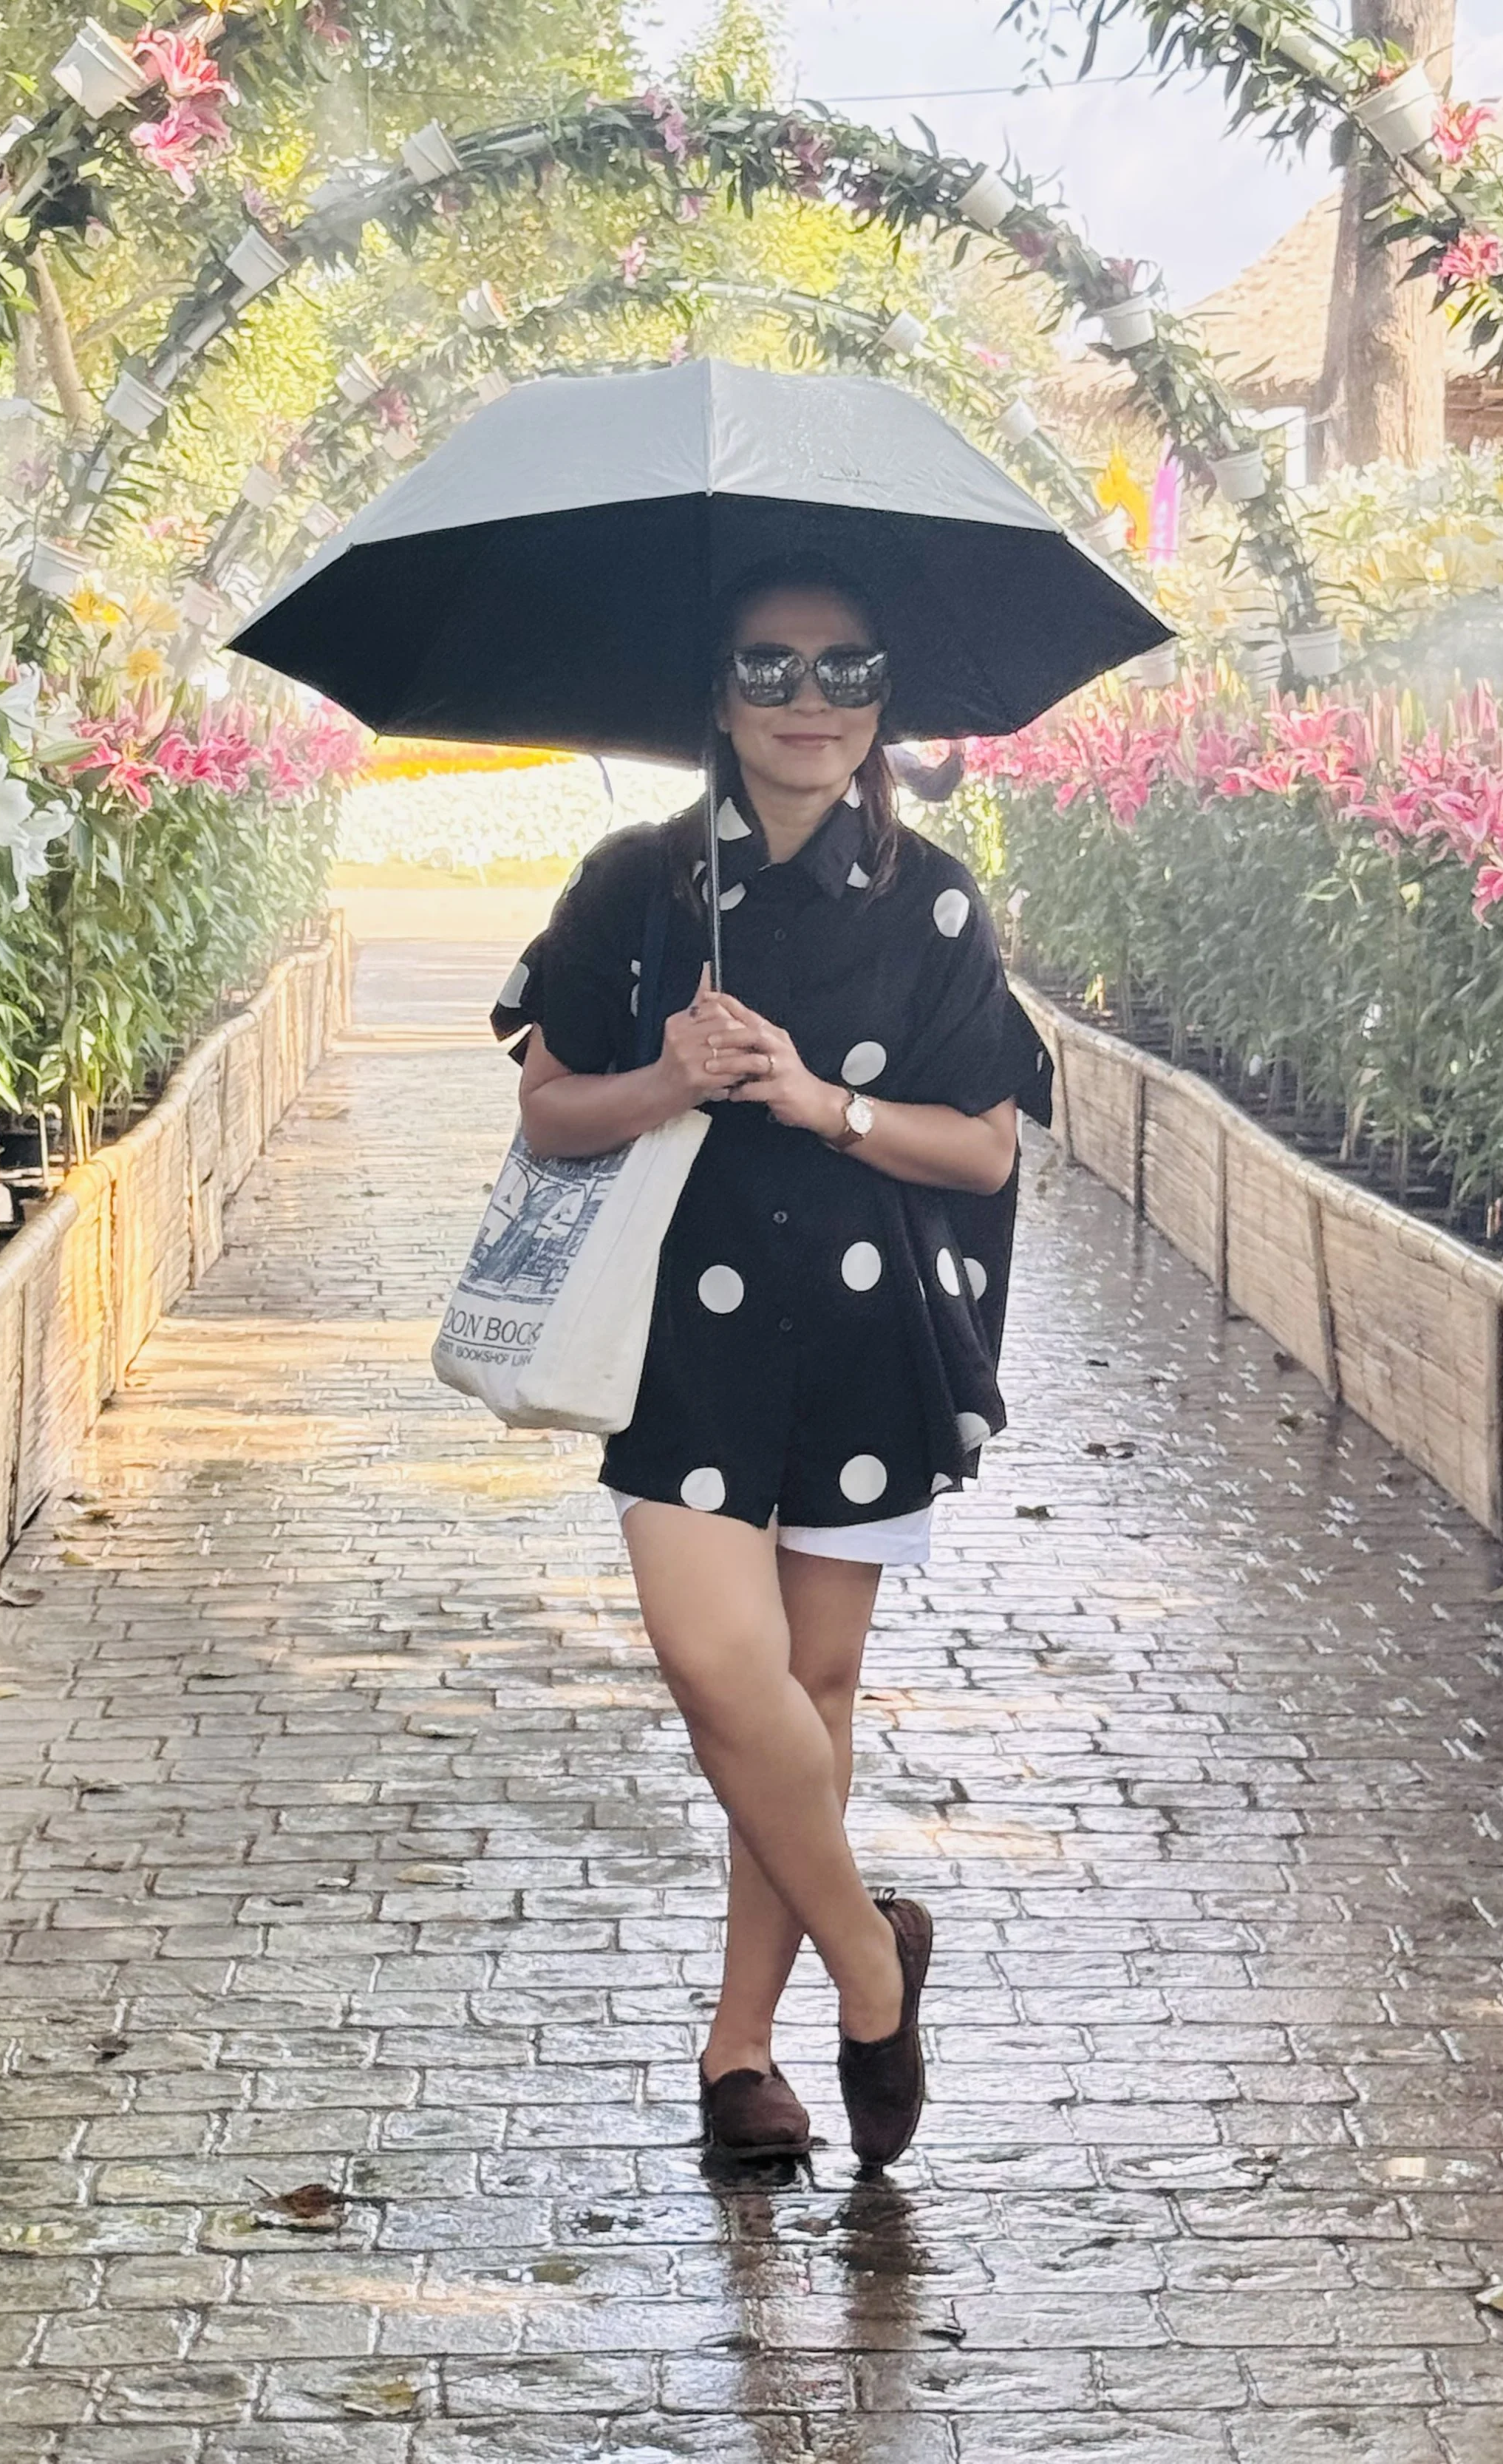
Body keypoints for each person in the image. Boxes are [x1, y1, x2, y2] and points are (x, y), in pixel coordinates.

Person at [491, 557, 1053, 2170]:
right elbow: (545, 1110)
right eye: (771, 669)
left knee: (806, 1696)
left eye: (844, 669)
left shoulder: (934, 897)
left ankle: (741, 2049)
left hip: (873, 1337)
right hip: (679, 1339)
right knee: (717, 1668)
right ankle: (874, 1967)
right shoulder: (631, 887)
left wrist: (821, 1104)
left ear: (882, 695)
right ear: (716, 693)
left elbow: (987, 1150)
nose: (810, 703)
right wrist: (665, 1071)